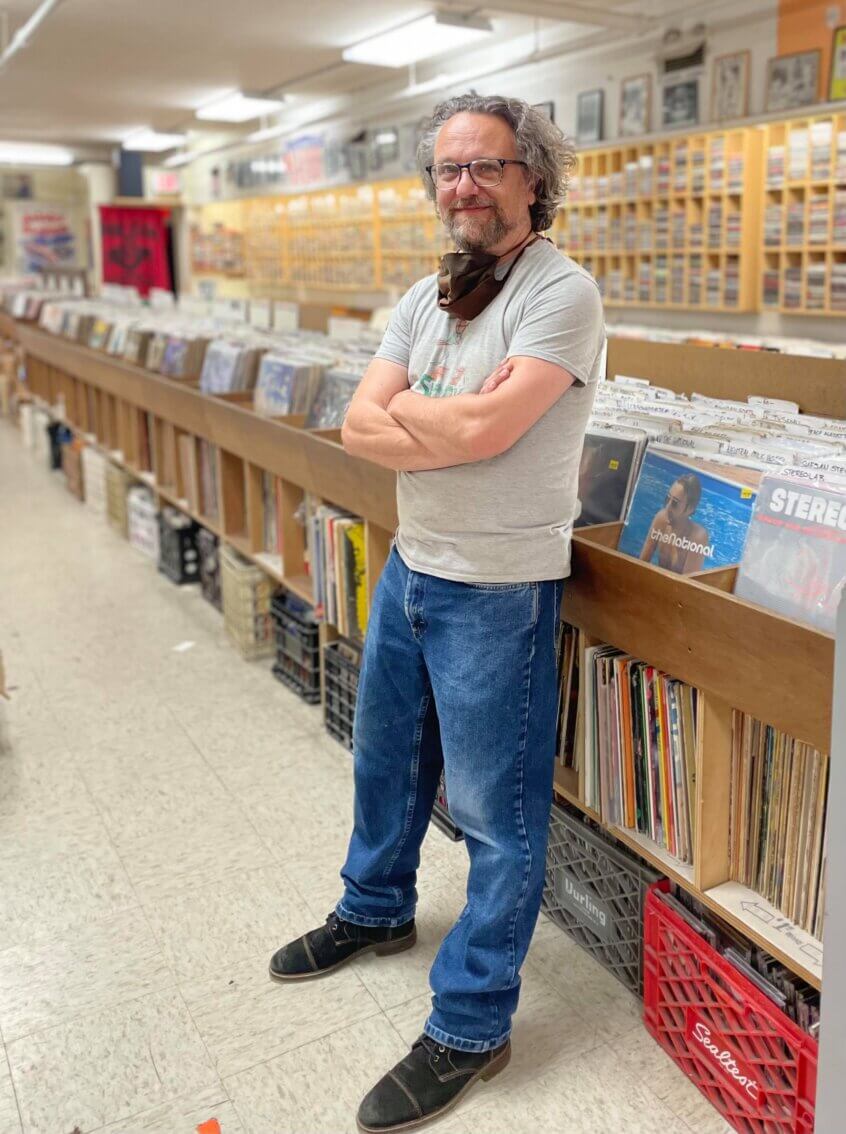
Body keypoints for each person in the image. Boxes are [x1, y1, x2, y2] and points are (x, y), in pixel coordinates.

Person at [269, 92, 605, 1133]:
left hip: (500, 586)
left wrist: (421, 415)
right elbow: (358, 422)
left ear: (531, 179)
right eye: (449, 170)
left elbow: (488, 429)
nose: (463, 185)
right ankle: (375, 911)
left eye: (487, 167)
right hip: (413, 567)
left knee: (498, 822)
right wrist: (439, 420)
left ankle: (470, 1024)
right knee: (385, 766)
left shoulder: (562, 292)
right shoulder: (426, 296)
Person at [639, 473, 710, 573]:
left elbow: (687, 585)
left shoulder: (698, 537)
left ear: (690, 509)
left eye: (675, 503)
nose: (667, 507)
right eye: (668, 499)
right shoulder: (661, 519)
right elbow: (641, 565)